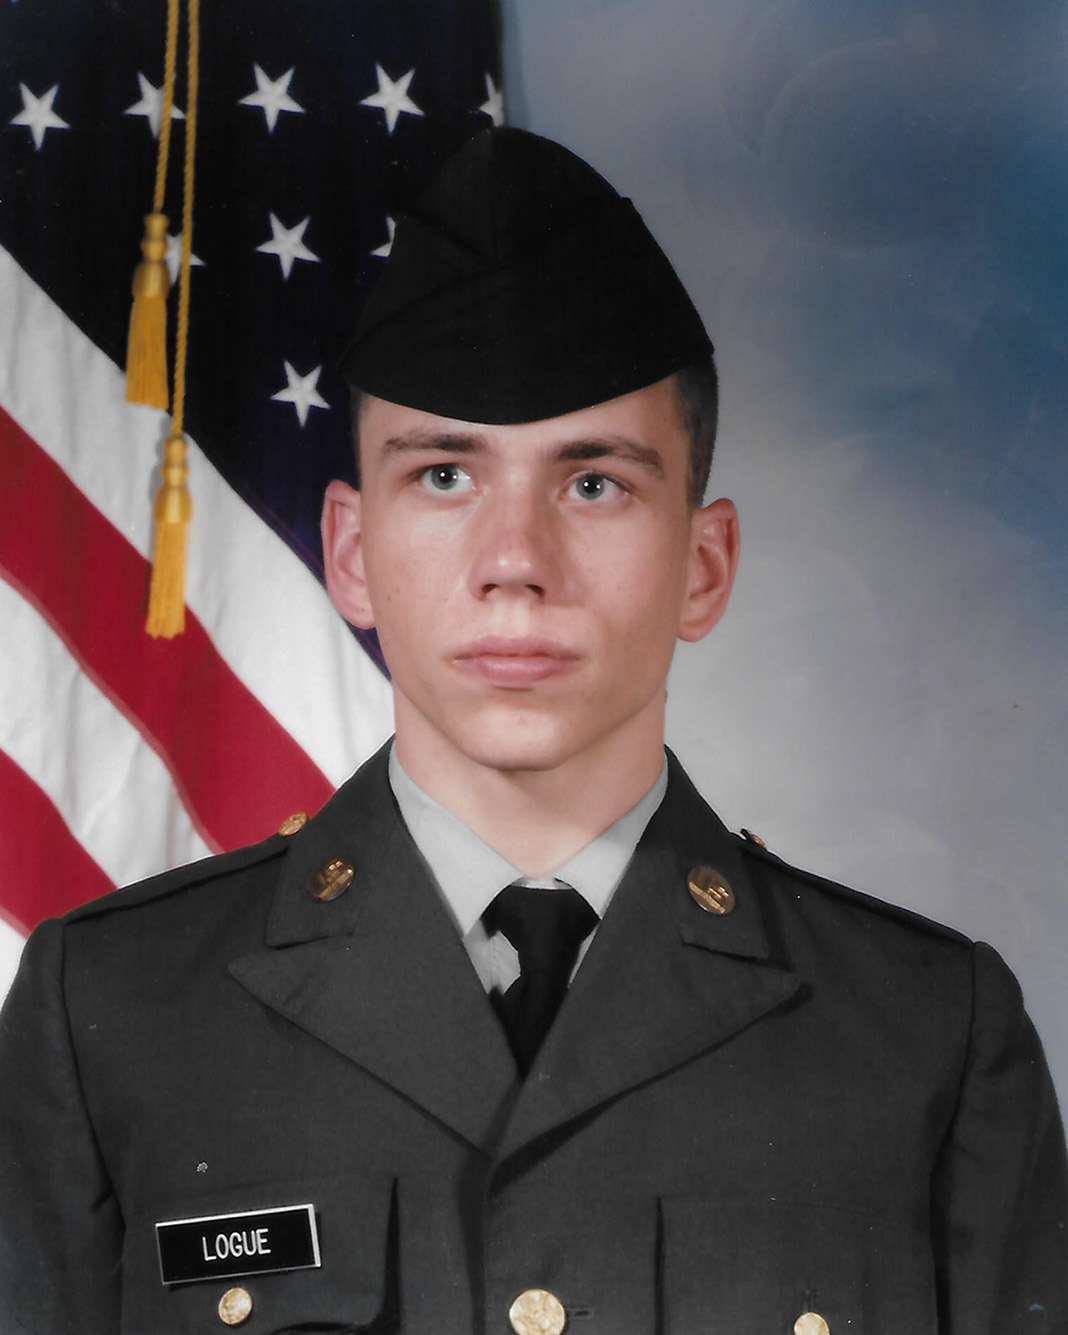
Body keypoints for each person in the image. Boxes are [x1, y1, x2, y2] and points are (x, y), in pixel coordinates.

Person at [1, 127, 1065, 1335]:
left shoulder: (926, 1038)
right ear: (350, 555)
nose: (516, 564)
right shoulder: (116, 1015)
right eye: (445, 477)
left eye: (594, 483)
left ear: (704, 565)